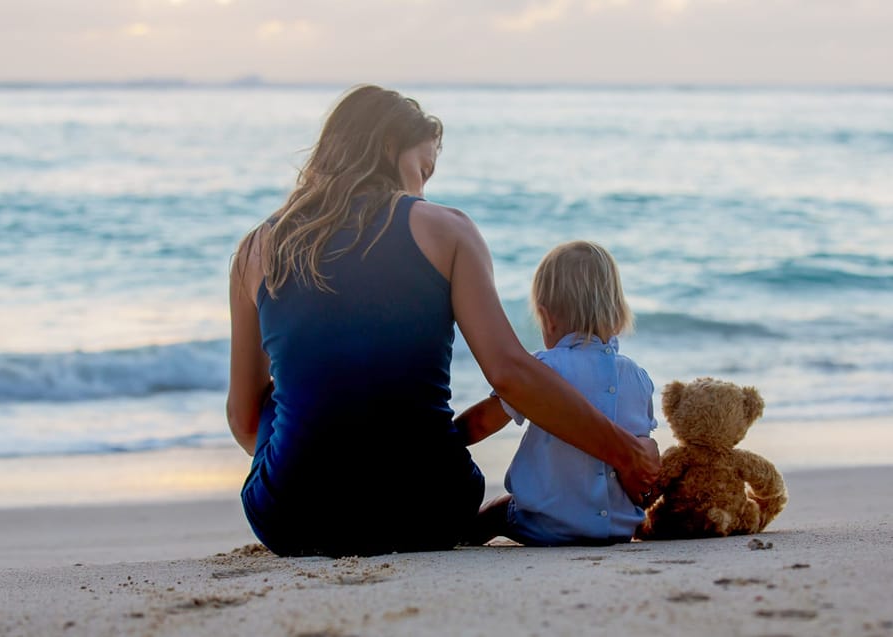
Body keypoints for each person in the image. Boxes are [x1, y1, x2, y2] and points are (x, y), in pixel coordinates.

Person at [226, 84, 659, 557]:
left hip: (291, 517)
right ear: (390, 148)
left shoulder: (255, 250)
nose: (422, 190)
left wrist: (326, 461)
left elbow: (244, 418)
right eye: (422, 170)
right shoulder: (447, 229)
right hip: (428, 509)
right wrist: (625, 451)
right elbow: (511, 374)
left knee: (278, 395)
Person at [456, 240, 657, 546]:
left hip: (544, 525)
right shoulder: (637, 376)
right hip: (616, 527)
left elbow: (482, 423)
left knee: (499, 509)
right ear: (618, 315)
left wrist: (445, 437)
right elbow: (641, 460)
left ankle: (464, 538)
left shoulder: (542, 369)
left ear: (547, 318)